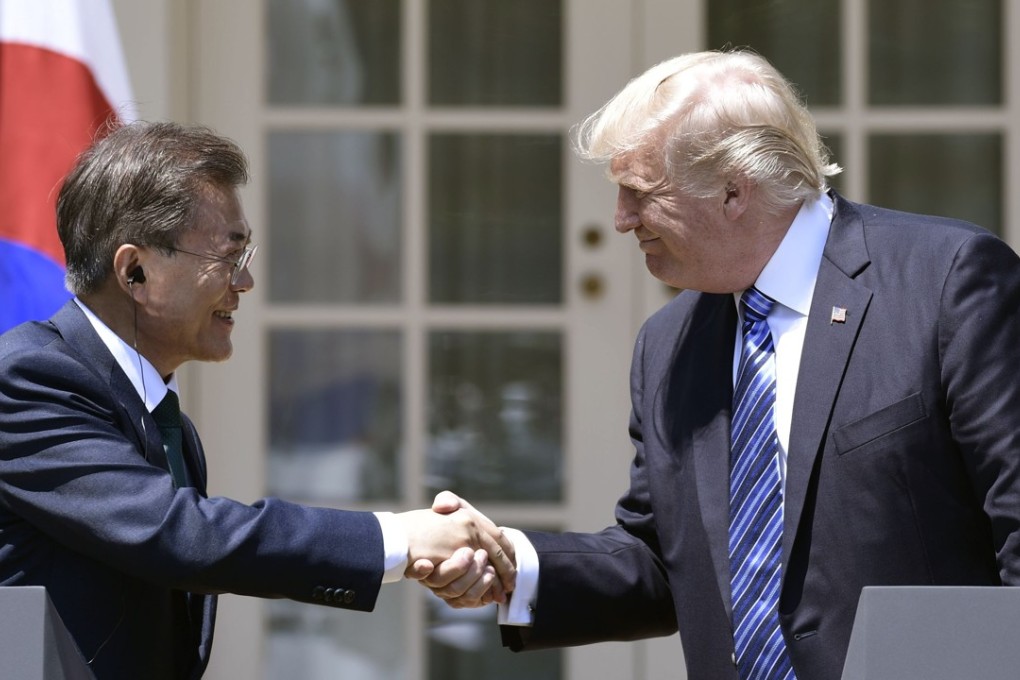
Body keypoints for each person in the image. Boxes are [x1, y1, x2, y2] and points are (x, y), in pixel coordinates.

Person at [422, 49, 1020, 680]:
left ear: (735, 190)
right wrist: (512, 564)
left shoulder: (947, 281)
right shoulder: (670, 342)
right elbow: (661, 560)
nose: (621, 221)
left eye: (639, 194)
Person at [0, 121, 514, 680]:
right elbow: (181, 535)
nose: (244, 283)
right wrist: (397, 539)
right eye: (228, 255)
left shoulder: (169, 425)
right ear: (135, 271)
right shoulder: (29, 379)